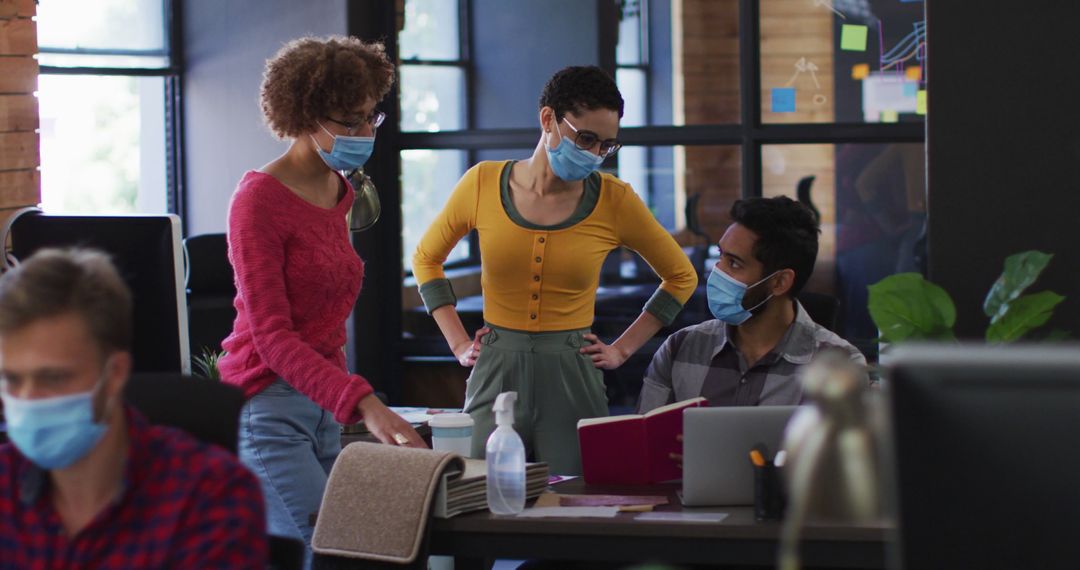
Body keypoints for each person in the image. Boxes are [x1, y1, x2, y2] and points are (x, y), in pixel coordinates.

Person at [413, 66, 697, 474]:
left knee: (577, 494)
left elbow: (681, 276)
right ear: (548, 119)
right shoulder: (482, 183)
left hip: (572, 370)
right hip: (496, 365)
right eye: (586, 139)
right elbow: (426, 258)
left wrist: (622, 348)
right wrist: (458, 342)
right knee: (478, 485)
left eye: (606, 145)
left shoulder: (615, 200)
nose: (595, 154)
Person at [218, 36, 424, 558]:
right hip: (268, 408)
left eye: (369, 117)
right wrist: (364, 403)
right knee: (327, 553)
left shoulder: (339, 190)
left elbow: (325, 320)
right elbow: (272, 338)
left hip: (323, 409)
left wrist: (342, 403)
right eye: (349, 121)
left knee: (364, 550)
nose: (363, 132)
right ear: (306, 116)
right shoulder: (257, 200)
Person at [0, 248, 266, 568]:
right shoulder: (5, 483)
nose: (28, 399)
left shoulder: (211, 494)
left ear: (115, 373)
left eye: (53, 378)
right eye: (11, 379)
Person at [637, 196, 867, 412]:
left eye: (734, 264)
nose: (717, 272)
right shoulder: (679, 349)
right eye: (721, 256)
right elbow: (644, 437)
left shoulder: (842, 367)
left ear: (779, 282)